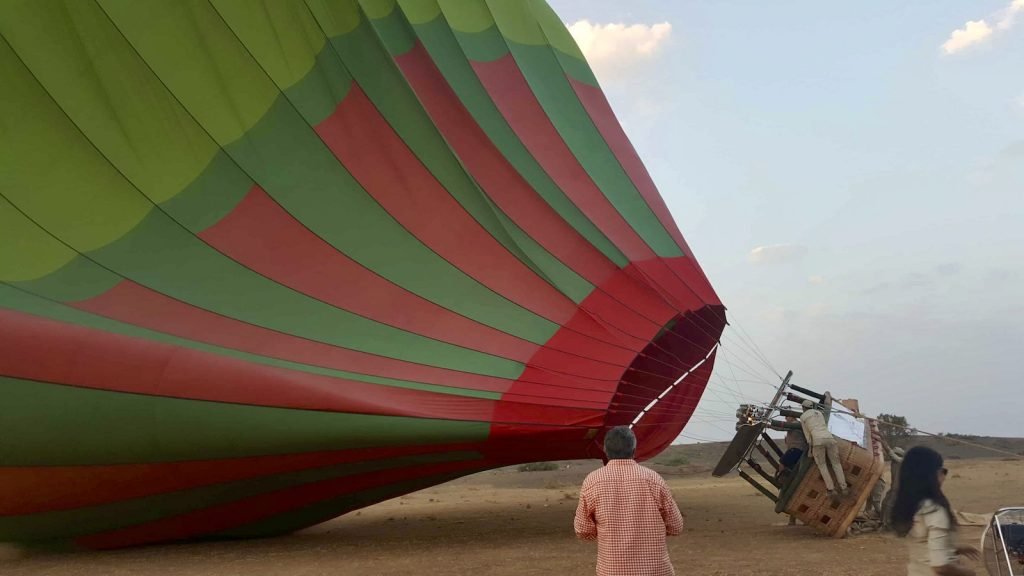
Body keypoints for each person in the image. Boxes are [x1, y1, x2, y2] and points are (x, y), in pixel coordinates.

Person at [574, 426, 685, 576]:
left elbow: (583, 530)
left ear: (605, 450)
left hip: (612, 571)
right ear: (634, 450)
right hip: (655, 571)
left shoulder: (592, 481)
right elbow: (676, 526)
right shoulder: (654, 479)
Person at [892, 446, 979, 576]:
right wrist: (970, 573)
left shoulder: (911, 505)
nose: (944, 475)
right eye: (942, 470)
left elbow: (923, 546)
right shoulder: (935, 510)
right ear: (930, 474)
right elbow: (940, 566)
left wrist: (954, 548)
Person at [799, 399, 849, 497]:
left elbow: (808, 435)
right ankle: (844, 487)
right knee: (836, 463)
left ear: (803, 408)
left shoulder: (803, 417)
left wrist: (810, 450)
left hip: (817, 440)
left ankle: (831, 489)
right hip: (829, 438)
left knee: (822, 465)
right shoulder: (819, 413)